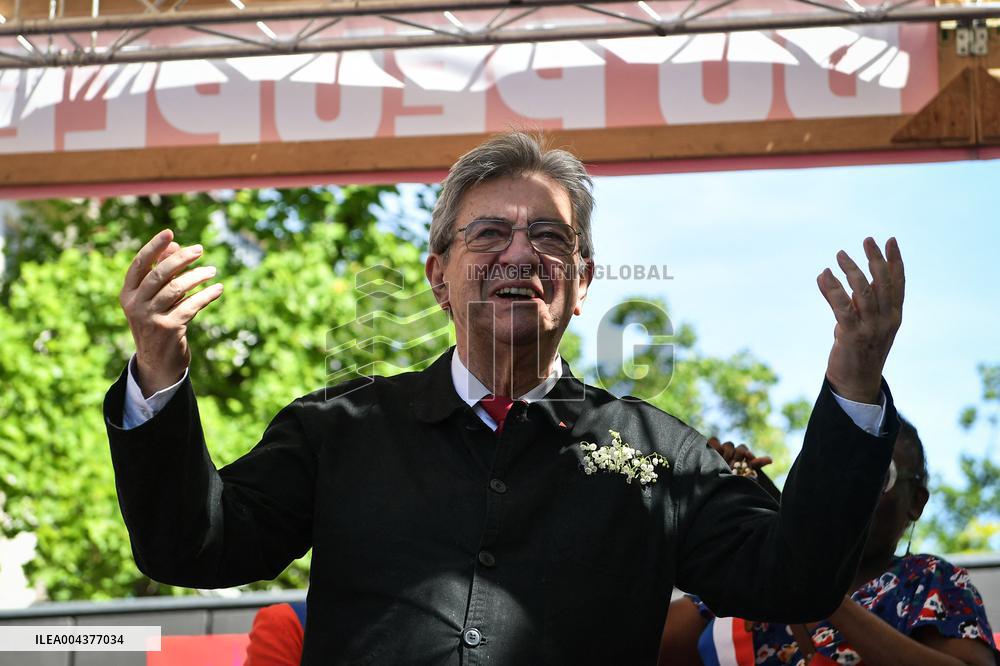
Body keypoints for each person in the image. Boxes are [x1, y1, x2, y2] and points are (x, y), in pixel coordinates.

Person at [105, 132, 906, 664]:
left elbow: (794, 580)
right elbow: (190, 545)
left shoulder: (663, 454)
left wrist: (856, 385)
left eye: (549, 238)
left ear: (582, 284)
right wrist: (159, 371)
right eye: (489, 234)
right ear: (438, 275)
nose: (519, 251)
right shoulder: (337, 430)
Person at [659, 421, 999, 666]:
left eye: (877, 476)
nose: (847, 491)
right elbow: (629, 638)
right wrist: (705, 515)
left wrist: (812, 578)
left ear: (915, 503)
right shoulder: (752, 580)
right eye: (832, 475)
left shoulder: (932, 581)